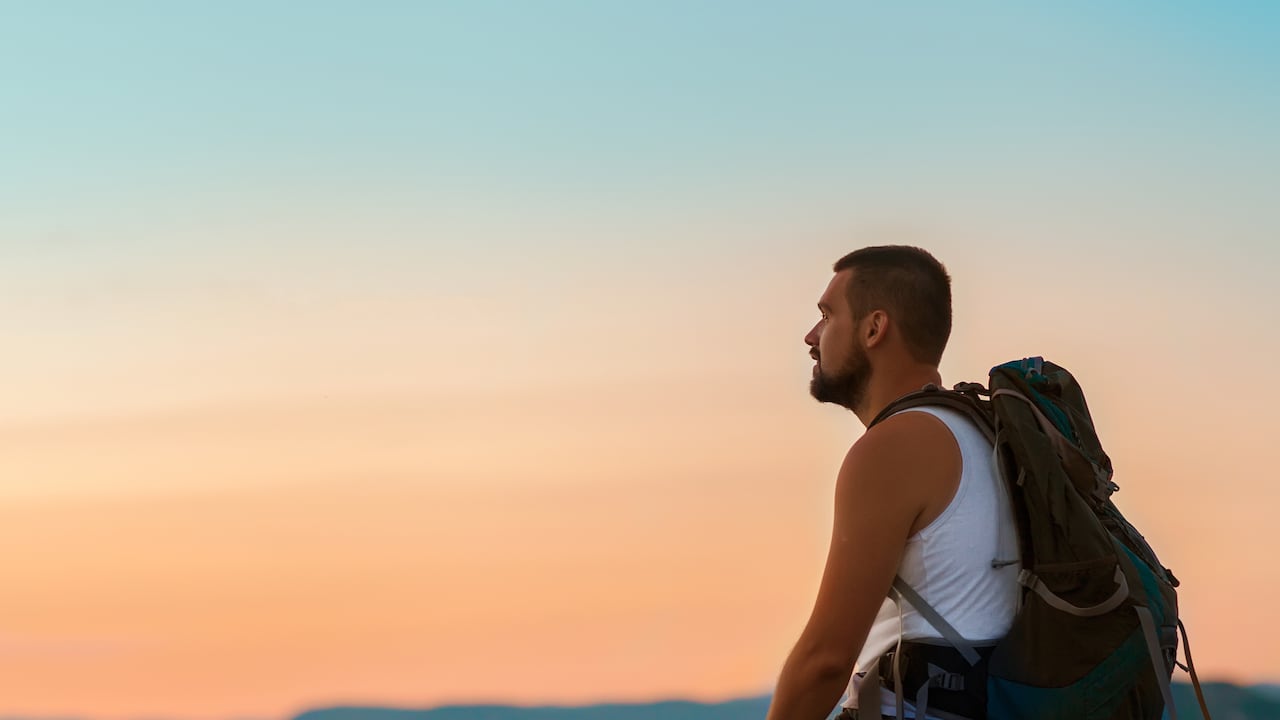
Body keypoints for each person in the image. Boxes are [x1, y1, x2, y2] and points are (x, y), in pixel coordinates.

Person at [765, 246, 1020, 720]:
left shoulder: (896, 446)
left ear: (873, 328)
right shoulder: (985, 434)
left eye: (827, 315)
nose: (811, 335)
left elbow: (825, 660)